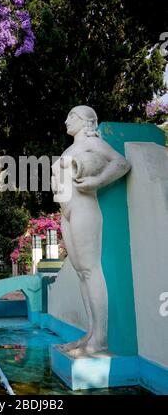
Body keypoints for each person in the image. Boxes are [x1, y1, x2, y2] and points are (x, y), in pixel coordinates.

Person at [51, 105, 131, 356]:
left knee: (91, 270)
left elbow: (121, 163)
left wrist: (97, 181)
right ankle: (91, 333)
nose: (66, 121)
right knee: (81, 273)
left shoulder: (92, 144)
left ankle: (101, 340)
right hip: (68, 213)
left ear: (86, 120)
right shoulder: (70, 149)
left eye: (71, 116)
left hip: (85, 209)